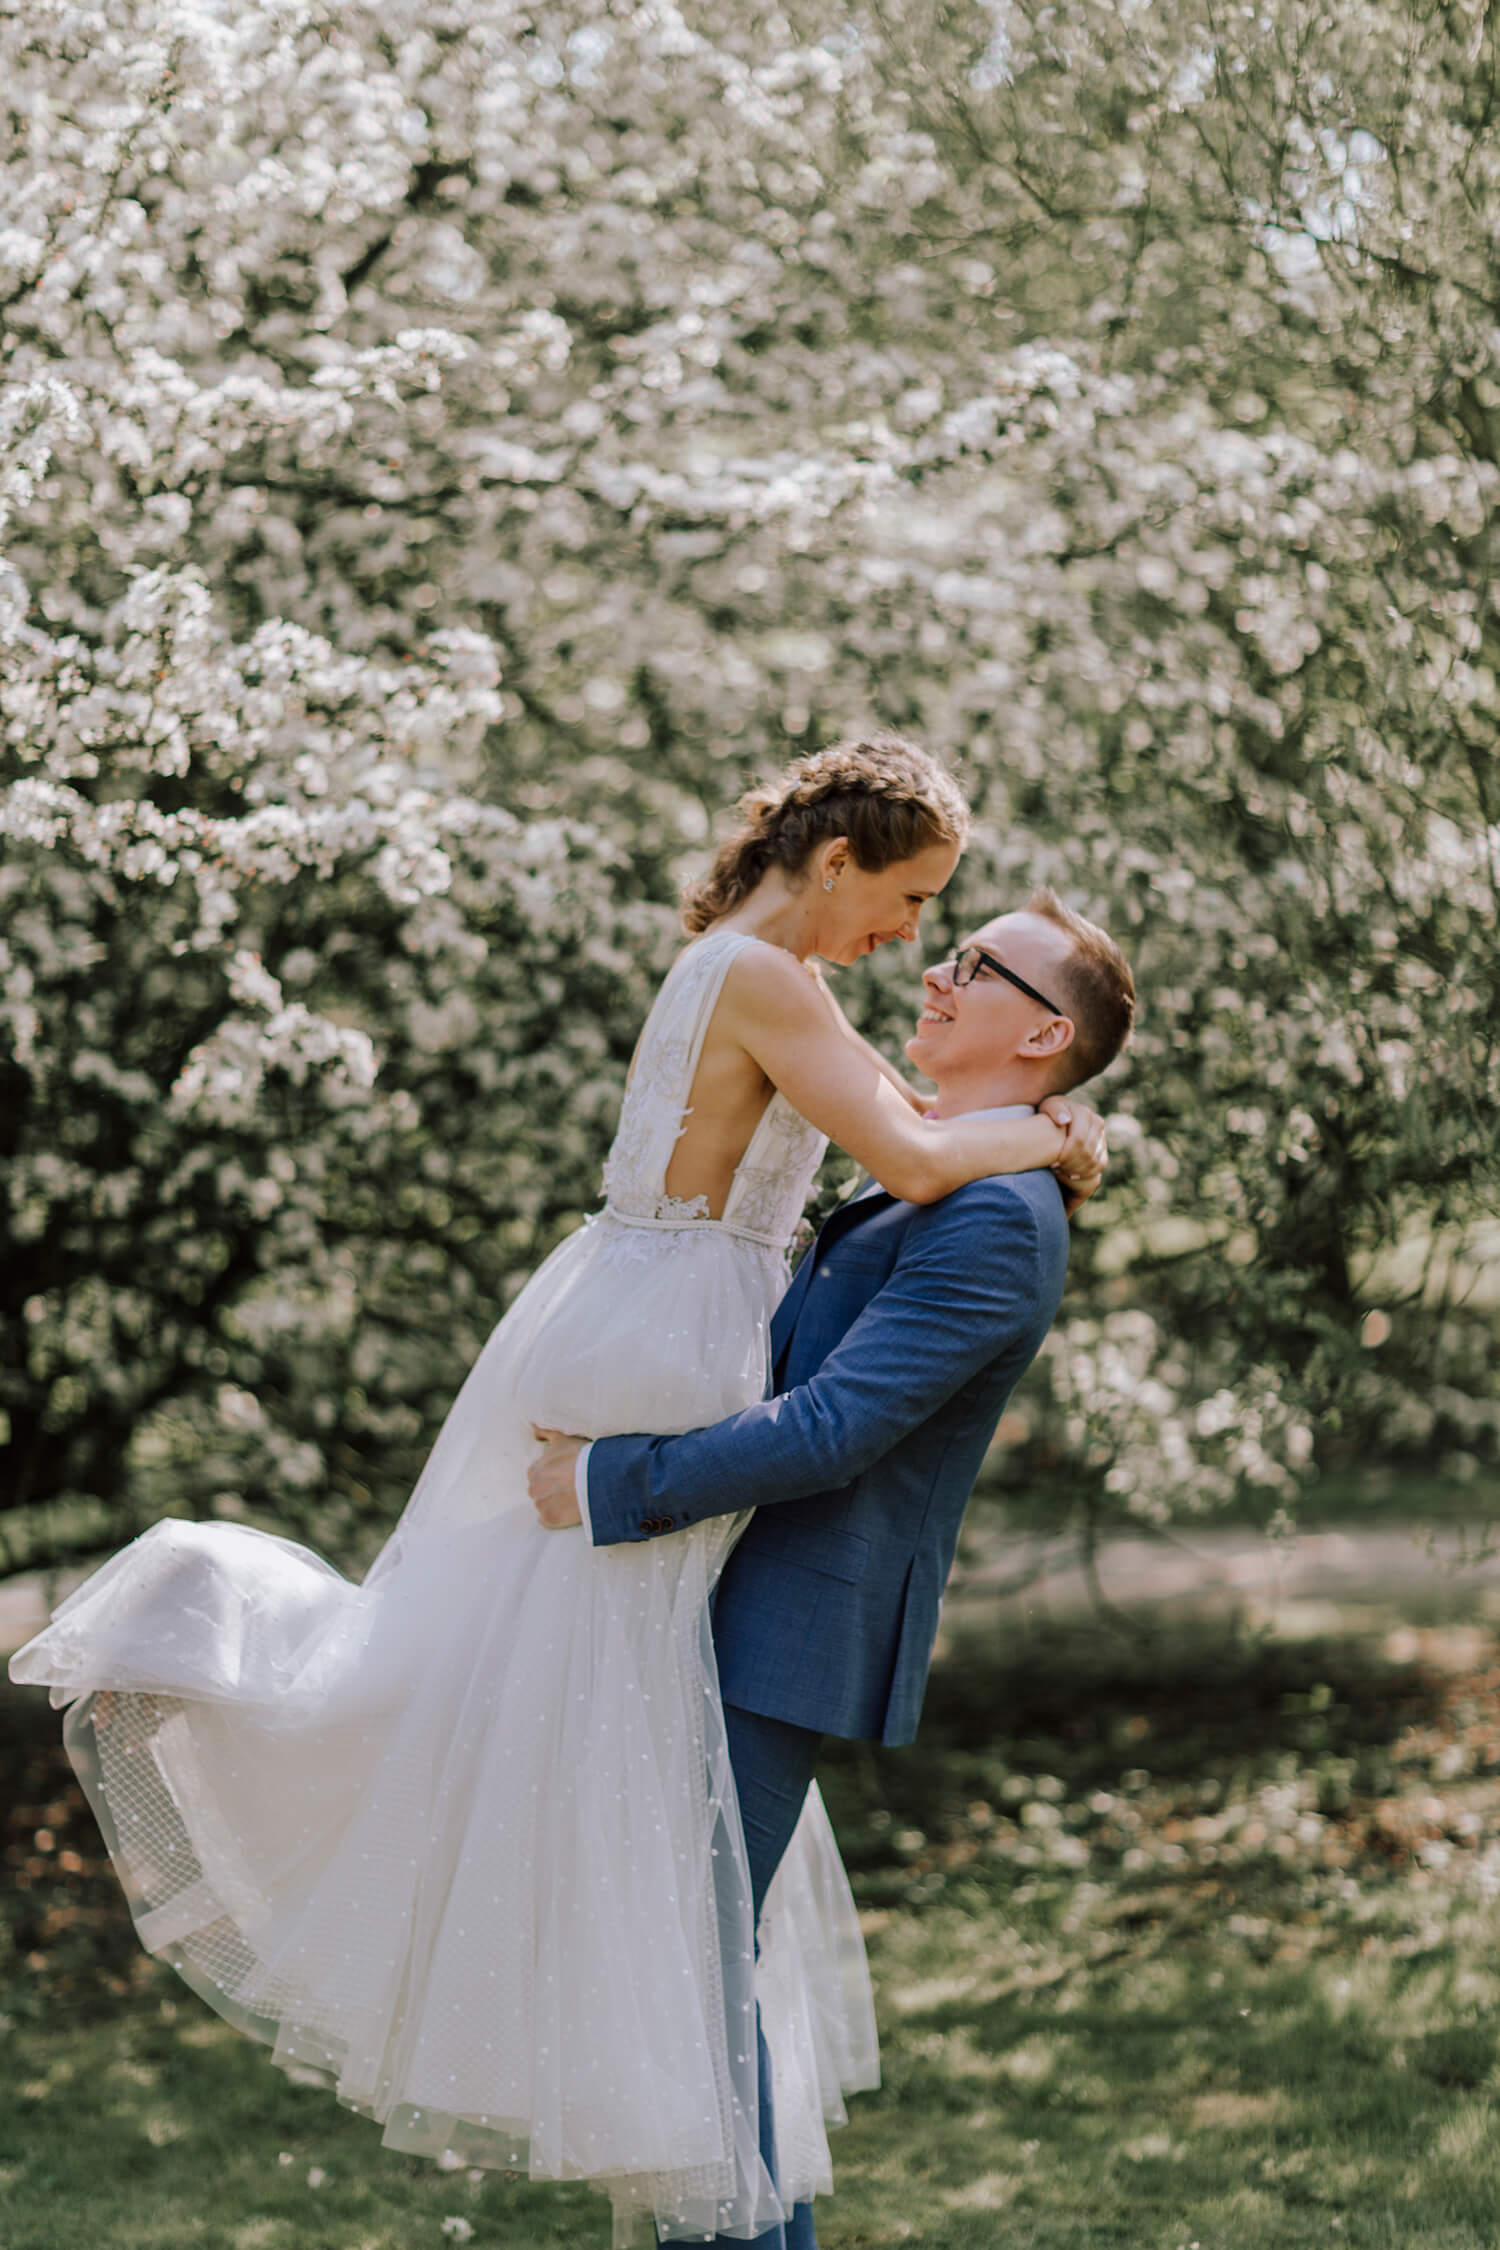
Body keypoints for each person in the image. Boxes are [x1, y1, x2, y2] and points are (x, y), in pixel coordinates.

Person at [8, 735, 1105, 2248]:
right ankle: (222, 1627)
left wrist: (1036, 1145)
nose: (918, 946)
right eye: (921, 904)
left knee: (661, 1933)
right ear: (839, 859)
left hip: (666, 1390)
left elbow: (863, 1336)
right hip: (659, 1360)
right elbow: (914, 1155)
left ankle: (710, 2207)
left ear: (1043, 1033)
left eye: (962, 942)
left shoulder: (783, 1001)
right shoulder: (778, 987)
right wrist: (1054, 1129)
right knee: (659, 1931)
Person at [529, 886, 1136, 2248]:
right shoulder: (961, 1165)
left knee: (693, 1990)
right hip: (742, 1593)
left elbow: (835, 1428)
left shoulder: (996, 1219)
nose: (935, 970)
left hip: (793, 1619)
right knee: (699, 1982)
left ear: (1042, 1038)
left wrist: (603, 1478)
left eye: (975, 963)